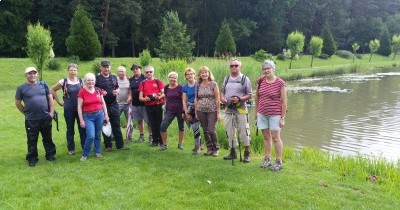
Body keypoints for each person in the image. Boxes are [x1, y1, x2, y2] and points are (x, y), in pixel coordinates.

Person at [15, 67, 56, 167]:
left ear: (37, 74)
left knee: (48, 138)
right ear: (26, 75)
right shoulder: (21, 88)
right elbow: (18, 103)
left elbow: (50, 99)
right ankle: (32, 158)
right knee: (32, 139)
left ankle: (50, 155)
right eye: (30, 73)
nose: (32, 75)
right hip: (31, 119)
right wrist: (25, 113)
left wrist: (51, 113)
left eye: (34, 73)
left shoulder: (43, 85)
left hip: (45, 117)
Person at [256, 60, 287, 171]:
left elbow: (283, 101)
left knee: (275, 137)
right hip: (262, 113)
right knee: (266, 137)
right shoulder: (260, 81)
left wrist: (282, 118)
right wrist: (256, 112)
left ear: (273, 69)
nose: (266, 70)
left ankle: (278, 161)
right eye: (264, 69)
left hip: (275, 114)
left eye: (268, 68)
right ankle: (267, 159)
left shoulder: (280, 83)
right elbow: (257, 97)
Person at [220, 58, 252, 162]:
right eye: (231, 66)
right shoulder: (226, 78)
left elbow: (249, 95)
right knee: (229, 131)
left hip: (241, 109)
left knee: (244, 132)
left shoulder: (245, 79)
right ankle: (232, 152)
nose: (233, 67)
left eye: (236, 65)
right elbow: (222, 92)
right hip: (228, 108)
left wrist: (239, 99)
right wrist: (223, 99)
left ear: (240, 67)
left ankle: (247, 153)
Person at [50, 63, 85, 155]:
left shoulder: (81, 81)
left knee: (82, 127)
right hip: (68, 108)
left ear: (77, 71)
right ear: (68, 71)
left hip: (80, 108)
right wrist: (58, 102)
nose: (73, 72)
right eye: (71, 70)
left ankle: (84, 146)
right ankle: (71, 149)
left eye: (74, 70)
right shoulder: (63, 81)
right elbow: (52, 89)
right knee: (70, 129)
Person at [95, 60, 127, 151]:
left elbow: (117, 86)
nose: (106, 68)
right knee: (105, 124)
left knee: (116, 124)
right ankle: (108, 146)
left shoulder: (113, 77)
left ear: (110, 67)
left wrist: (118, 90)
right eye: (104, 66)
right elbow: (92, 87)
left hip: (114, 104)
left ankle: (120, 145)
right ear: (101, 67)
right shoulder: (97, 78)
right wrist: (100, 91)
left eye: (108, 66)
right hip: (102, 105)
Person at [77, 73, 109, 161]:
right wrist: (81, 120)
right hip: (88, 116)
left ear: (94, 81)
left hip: (99, 114)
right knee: (91, 136)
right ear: (85, 81)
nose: (90, 82)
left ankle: (97, 152)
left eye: (92, 80)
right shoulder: (82, 91)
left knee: (98, 135)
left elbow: (103, 103)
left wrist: (106, 115)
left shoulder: (98, 90)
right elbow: (79, 107)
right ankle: (85, 154)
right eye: (88, 80)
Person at [194, 66, 220, 157]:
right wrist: (196, 112)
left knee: (211, 130)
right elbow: (196, 99)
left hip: (212, 110)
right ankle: (209, 148)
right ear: (200, 75)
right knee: (205, 130)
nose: (204, 74)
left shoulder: (213, 84)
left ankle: (216, 148)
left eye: (206, 72)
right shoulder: (198, 85)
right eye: (202, 72)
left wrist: (218, 112)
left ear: (209, 73)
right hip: (200, 110)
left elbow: (217, 99)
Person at [138, 66, 165, 148]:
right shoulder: (142, 83)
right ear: (145, 73)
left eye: (150, 72)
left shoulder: (158, 81)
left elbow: (163, 93)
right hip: (148, 106)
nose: (149, 73)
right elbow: (140, 97)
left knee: (159, 123)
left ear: (153, 72)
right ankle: (154, 141)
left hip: (158, 105)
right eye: (147, 72)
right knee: (152, 124)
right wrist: (145, 99)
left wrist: (158, 97)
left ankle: (162, 141)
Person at [159, 72, 185, 151]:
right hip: (170, 111)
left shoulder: (181, 88)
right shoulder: (166, 87)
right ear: (168, 78)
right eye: (171, 77)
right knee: (163, 126)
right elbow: (165, 96)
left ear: (177, 78)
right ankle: (164, 144)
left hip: (180, 110)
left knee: (181, 127)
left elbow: (184, 100)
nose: (173, 79)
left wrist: (184, 111)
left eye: (174, 77)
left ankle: (180, 144)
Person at [127, 63, 152, 143]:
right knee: (139, 120)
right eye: (134, 69)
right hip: (135, 103)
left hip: (145, 103)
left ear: (140, 69)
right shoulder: (131, 79)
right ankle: (142, 136)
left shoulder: (145, 78)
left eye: (137, 68)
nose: (135, 70)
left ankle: (151, 136)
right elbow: (130, 89)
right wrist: (130, 96)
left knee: (148, 121)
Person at [182, 68, 202, 155]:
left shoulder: (199, 84)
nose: (190, 75)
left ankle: (197, 147)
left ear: (194, 74)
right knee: (195, 127)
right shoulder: (185, 87)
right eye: (187, 74)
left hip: (200, 108)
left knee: (195, 128)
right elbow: (184, 100)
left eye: (191, 73)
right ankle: (200, 145)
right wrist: (186, 112)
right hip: (190, 108)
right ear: (186, 76)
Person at [116, 66, 132, 142]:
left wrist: (130, 96)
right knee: (115, 120)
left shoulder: (129, 80)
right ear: (117, 72)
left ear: (125, 72)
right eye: (120, 71)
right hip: (117, 104)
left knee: (130, 121)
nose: (121, 73)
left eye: (122, 71)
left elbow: (131, 90)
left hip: (127, 104)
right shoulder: (114, 80)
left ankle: (129, 136)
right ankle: (114, 136)